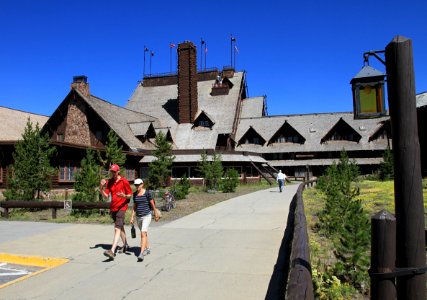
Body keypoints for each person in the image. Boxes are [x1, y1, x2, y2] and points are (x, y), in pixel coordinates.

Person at [99, 164, 133, 260]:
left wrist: (124, 196)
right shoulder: (109, 182)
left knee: (116, 228)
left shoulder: (124, 181)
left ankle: (112, 251)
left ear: (118, 171)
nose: (112, 173)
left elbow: (130, 195)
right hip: (113, 207)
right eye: (111, 171)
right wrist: (101, 188)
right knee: (120, 226)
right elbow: (106, 197)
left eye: (114, 171)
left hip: (122, 207)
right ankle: (125, 244)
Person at [130, 178, 160, 262]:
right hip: (138, 217)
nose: (137, 186)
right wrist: (132, 216)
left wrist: (156, 213)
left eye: (138, 184)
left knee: (143, 233)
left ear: (142, 184)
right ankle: (148, 248)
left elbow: (152, 204)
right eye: (135, 185)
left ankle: (141, 253)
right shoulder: (135, 194)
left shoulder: (147, 193)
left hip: (147, 216)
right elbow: (134, 207)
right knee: (144, 233)